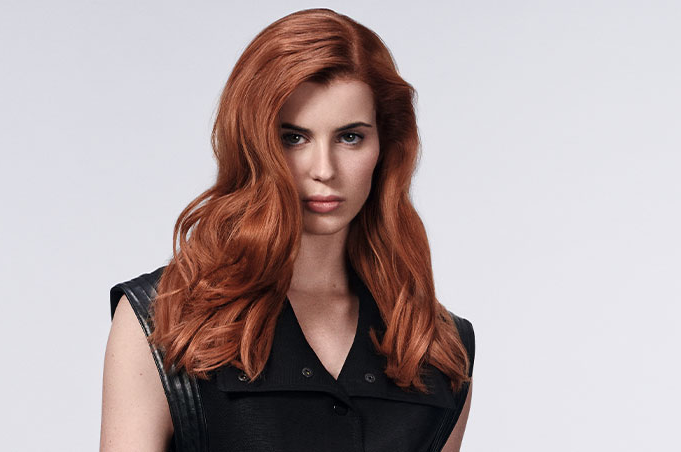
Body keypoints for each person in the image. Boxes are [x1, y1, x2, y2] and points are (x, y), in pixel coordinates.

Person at [100, 8, 474, 452]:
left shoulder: (437, 348)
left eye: (350, 137)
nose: (324, 169)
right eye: (293, 138)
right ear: (253, 145)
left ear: (385, 145)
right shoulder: (160, 320)